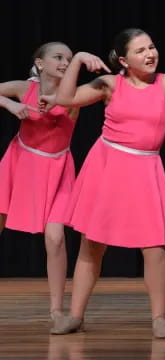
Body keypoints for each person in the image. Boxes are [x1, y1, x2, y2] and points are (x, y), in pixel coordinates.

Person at [49, 28, 165, 338]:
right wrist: (79, 59)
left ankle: (159, 317)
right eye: (140, 51)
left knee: (155, 247)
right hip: (107, 166)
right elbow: (65, 98)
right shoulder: (111, 84)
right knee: (92, 245)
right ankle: (75, 315)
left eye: (151, 47)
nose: (150, 54)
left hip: (145, 168)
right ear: (124, 60)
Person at [0, 42, 77, 330]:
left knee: (55, 238)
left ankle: (57, 311)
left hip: (57, 169)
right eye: (58, 57)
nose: (65, 62)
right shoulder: (24, 88)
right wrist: (9, 103)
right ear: (40, 63)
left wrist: (57, 100)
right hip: (19, 164)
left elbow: (71, 103)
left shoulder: (72, 96)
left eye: (69, 59)